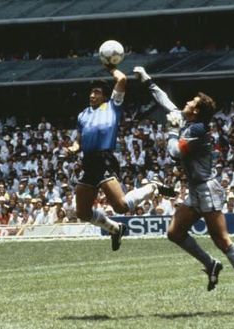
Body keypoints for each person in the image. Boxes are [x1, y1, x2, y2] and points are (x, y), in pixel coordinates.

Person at [133, 66, 234, 311]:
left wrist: (170, 131)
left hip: (207, 190)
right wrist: (147, 80)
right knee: (174, 233)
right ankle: (211, 265)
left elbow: (173, 153)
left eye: (191, 102)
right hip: (196, 190)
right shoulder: (187, 120)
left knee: (222, 240)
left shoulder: (197, 129)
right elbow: (165, 102)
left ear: (197, 110)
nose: (186, 103)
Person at [66, 63, 174, 251]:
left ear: (105, 95)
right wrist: (72, 149)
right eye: (91, 92)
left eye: (97, 92)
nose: (92, 95)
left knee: (121, 207)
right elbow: (79, 141)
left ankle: (153, 186)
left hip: (104, 159)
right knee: (82, 212)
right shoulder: (83, 115)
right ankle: (115, 229)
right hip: (88, 162)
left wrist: (109, 67)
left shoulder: (112, 106)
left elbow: (122, 79)